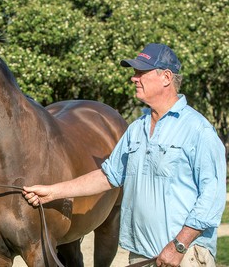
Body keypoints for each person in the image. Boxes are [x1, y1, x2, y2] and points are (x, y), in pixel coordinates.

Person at [23, 43, 227, 267]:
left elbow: (212, 199)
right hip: (142, 255)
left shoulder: (198, 130)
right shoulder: (136, 129)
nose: (134, 78)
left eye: (141, 72)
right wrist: (52, 192)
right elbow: (107, 176)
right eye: (134, 72)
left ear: (166, 77)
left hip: (184, 256)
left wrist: (178, 246)